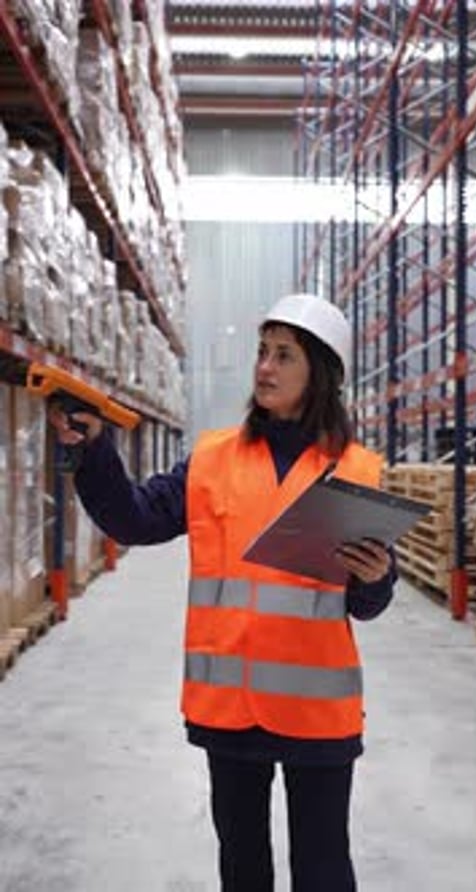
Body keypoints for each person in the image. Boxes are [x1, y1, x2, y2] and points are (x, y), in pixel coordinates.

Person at [50, 292, 396, 892]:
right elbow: (135, 519)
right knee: (242, 867)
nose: (264, 367)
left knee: (322, 868)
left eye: (284, 356)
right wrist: (92, 452)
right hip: (231, 707)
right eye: (263, 352)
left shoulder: (358, 470)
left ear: (322, 374)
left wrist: (375, 577)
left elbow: (365, 604)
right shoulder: (211, 460)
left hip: (317, 711)